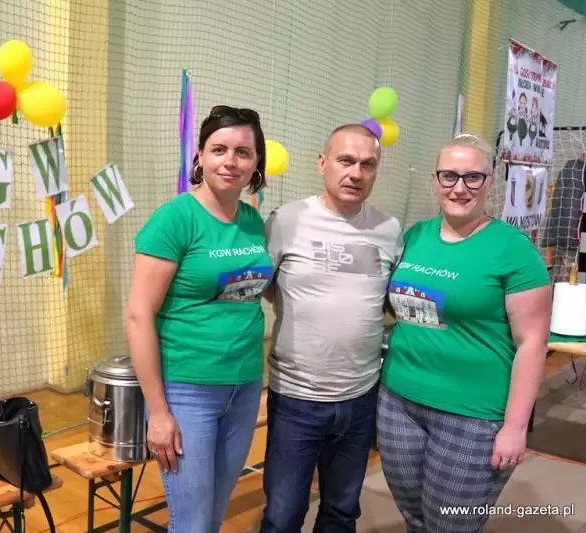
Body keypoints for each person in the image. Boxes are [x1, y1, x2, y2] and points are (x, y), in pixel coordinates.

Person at [378, 133, 551, 533]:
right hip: (399, 402)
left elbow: (532, 343)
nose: (459, 188)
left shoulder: (513, 249)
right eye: (449, 176)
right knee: (415, 518)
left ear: (490, 181)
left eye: (473, 177)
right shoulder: (414, 236)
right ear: (435, 180)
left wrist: (514, 427)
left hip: (472, 415)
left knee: (450, 525)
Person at [125, 105, 272, 532]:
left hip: (244, 387)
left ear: (256, 163)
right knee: (191, 523)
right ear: (200, 157)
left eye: (243, 152)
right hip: (188, 391)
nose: (231, 161)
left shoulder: (252, 220)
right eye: (219, 149)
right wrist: (158, 412)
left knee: (212, 515)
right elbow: (138, 316)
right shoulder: (174, 220)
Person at [260, 124, 403, 533]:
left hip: (361, 398)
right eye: (346, 161)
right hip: (296, 399)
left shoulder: (389, 229)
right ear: (322, 163)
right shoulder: (286, 221)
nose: (356, 173)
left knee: (341, 512)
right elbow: (267, 287)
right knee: (283, 516)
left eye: (367, 164)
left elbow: (387, 300)